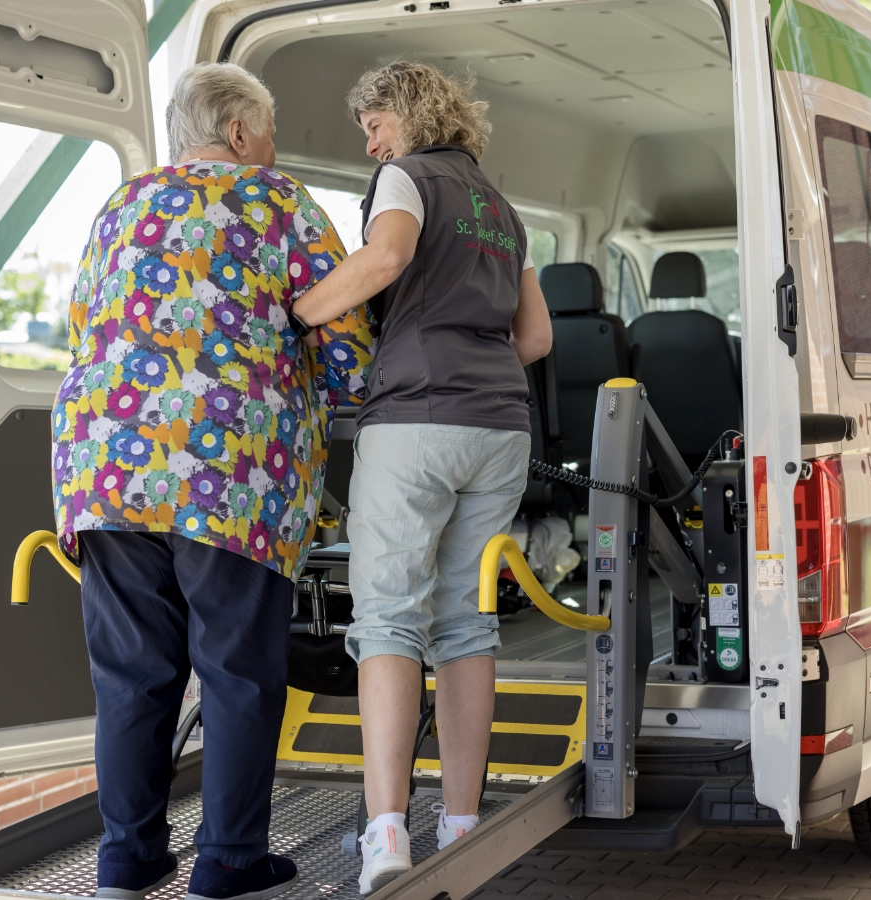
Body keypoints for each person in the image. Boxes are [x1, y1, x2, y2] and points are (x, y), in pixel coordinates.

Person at [51, 62, 374, 900]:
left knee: (130, 674)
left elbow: (84, 326)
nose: (271, 148)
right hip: (227, 475)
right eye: (265, 133)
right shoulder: (279, 202)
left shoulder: (121, 204)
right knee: (234, 670)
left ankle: (127, 858)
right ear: (240, 134)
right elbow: (343, 330)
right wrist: (361, 393)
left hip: (107, 468)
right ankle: (229, 859)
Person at [291, 61, 553, 894]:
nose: (369, 142)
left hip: (415, 420)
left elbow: (385, 257)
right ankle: (466, 821)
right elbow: (537, 337)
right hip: (501, 427)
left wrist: (301, 314)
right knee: (467, 625)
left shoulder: (403, 178)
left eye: (374, 123)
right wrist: (474, 365)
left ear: (406, 113)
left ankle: (387, 831)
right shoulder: (502, 207)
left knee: (391, 623)